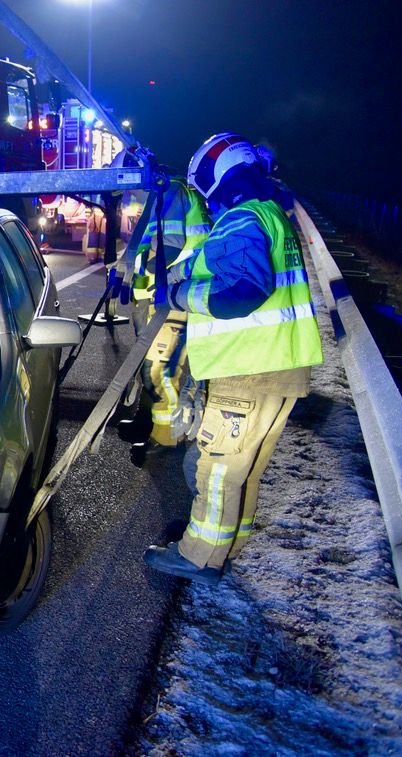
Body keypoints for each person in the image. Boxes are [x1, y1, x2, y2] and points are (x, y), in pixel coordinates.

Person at [143, 133, 322, 583]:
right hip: (279, 367)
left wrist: (181, 294)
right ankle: (229, 545)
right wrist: (180, 271)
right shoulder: (269, 215)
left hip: (247, 369)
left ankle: (198, 557)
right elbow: (226, 264)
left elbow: (243, 291)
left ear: (219, 172)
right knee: (247, 469)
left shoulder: (242, 218)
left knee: (218, 469)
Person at [123, 146, 212, 458]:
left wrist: (140, 270)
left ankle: (165, 437)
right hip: (171, 298)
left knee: (158, 373)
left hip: (171, 301)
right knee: (154, 370)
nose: (129, 196)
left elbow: (167, 251)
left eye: (130, 187)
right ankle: (150, 425)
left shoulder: (170, 192)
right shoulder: (174, 193)